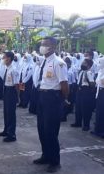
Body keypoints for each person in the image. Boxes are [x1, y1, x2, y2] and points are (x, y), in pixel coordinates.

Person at [33, 37, 68, 173]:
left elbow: (64, 84)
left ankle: (55, 161)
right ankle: (45, 155)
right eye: (41, 44)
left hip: (53, 98)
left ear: (53, 46)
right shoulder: (45, 61)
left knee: (51, 131)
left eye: (45, 44)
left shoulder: (58, 63)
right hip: (42, 96)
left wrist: (63, 100)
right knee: (41, 129)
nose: (42, 47)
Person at [0, 51, 19, 142]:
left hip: (12, 91)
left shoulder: (14, 69)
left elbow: (17, 85)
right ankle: (6, 130)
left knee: (11, 114)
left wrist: (18, 97)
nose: (3, 59)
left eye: (4, 57)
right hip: (6, 90)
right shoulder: (7, 68)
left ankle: (12, 134)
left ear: (9, 58)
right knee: (6, 112)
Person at [71, 56, 95, 131]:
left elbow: (92, 84)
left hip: (86, 91)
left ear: (88, 65)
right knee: (78, 108)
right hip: (79, 90)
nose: (82, 64)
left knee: (85, 109)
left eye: (84, 63)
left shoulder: (89, 73)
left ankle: (86, 125)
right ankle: (78, 122)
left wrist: (88, 91)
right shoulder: (81, 71)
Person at [91, 57, 104, 137]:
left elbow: (102, 82)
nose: (98, 64)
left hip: (103, 92)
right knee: (98, 112)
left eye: (100, 62)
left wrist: (99, 81)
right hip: (99, 91)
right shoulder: (101, 71)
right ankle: (97, 129)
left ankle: (101, 131)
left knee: (102, 112)